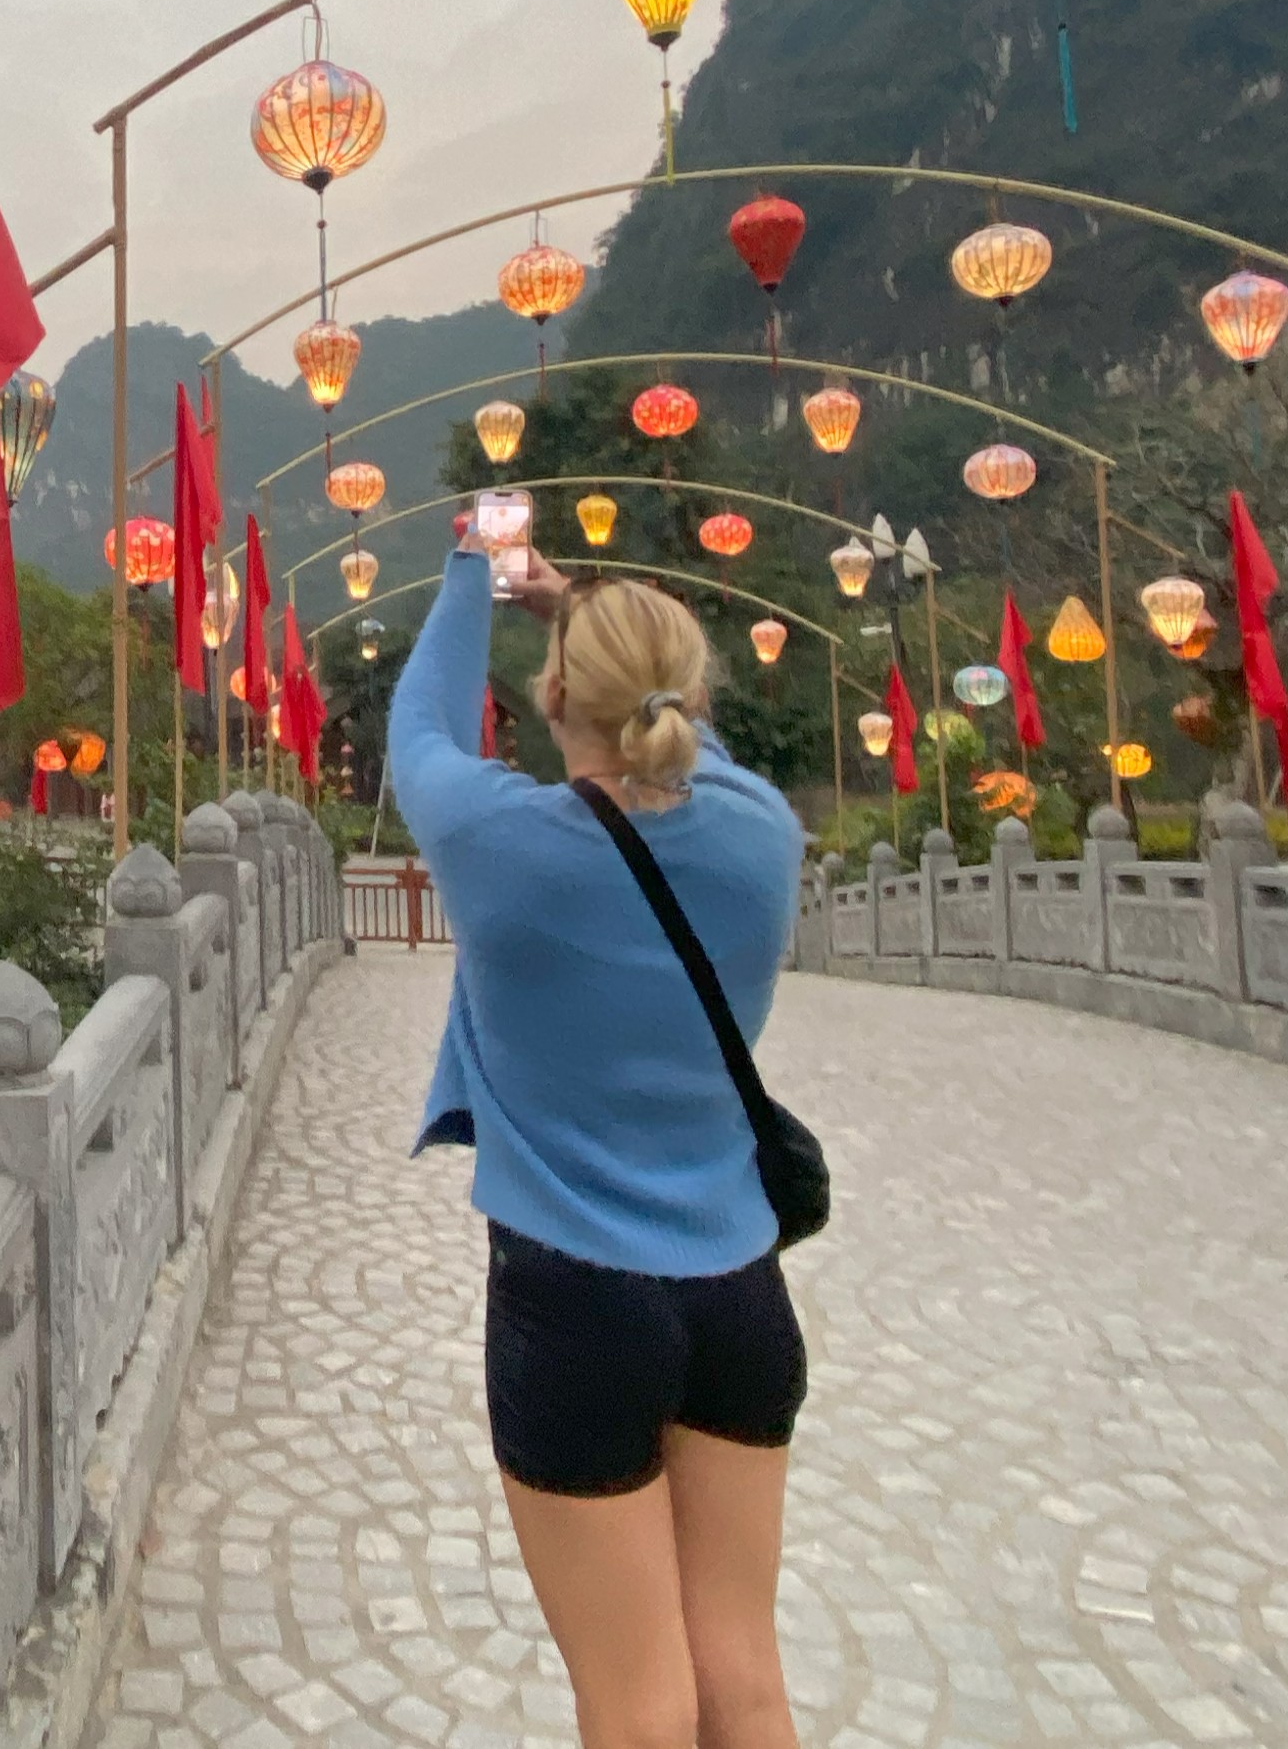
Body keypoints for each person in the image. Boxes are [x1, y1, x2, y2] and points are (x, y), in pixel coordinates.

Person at [390, 538, 808, 1749]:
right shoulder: (762, 833)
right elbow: (689, 751)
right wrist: (582, 608)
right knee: (744, 1677)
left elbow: (422, 729)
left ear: (552, 698)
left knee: (635, 1701)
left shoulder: (500, 844)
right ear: (691, 699)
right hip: (740, 1298)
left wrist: (471, 567)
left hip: (574, 1304)